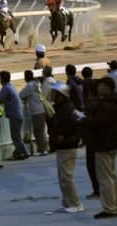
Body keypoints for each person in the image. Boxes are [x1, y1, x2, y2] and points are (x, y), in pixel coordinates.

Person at [83, 77, 117, 219]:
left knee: (105, 178)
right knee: (112, 176)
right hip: (112, 143)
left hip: (103, 143)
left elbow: (98, 123)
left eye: (100, 86)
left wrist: (85, 120)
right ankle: (115, 205)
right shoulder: (116, 101)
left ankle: (109, 208)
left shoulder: (106, 105)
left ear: (107, 87)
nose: (98, 88)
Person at [49, 82, 84, 214]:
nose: (52, 96)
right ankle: (67, 202)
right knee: (63, 176)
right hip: (63, 146)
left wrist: (62, 136)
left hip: (67, 146)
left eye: (55, 94)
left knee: (66, 176)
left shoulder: (67, 109)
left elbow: (73, 126)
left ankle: (75, 203)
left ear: (62, 95)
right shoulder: (61, 108)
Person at [0, 70, 29, 160]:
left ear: (2, 79)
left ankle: (23, 152)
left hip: (14, 115)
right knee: (17, 135)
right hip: (18, 113)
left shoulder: (5, 88)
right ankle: (19, 152)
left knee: (15, 136)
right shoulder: (11, 86)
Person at [80, 67, 100, 200]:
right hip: (97, 140)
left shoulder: (91, 104)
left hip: (93, 140)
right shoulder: (98, 102)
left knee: (93, 166)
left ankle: (98, 190)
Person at [20, 70, 48, 156]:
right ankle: (42, 149)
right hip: (41, 110)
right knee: (40, 131)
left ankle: (42, 150)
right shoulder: (37, 83)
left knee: (38, 132)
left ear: (26, 77)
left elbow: (21, 95)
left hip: (36, 111)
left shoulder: (30, 85)